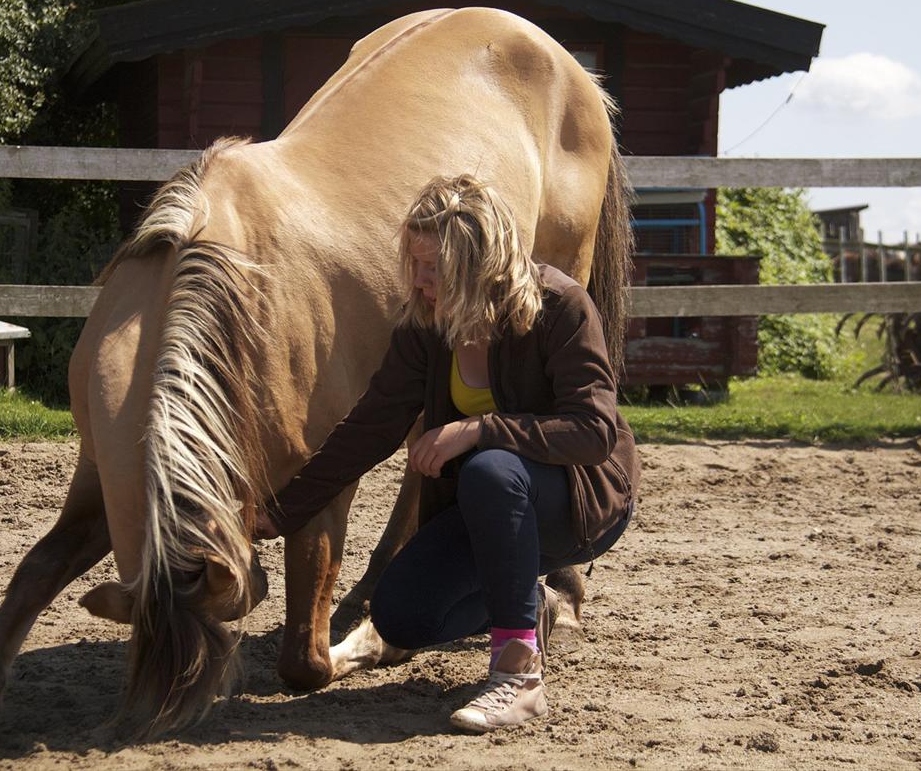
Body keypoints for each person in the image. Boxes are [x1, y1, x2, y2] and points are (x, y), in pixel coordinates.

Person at [257, 173, 639, 732]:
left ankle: (519, 676)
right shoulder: (426, 325)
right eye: (413, 263)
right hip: (494, 512)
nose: (419, 280)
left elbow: (593, 431)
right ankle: (529, 606)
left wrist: (480, 429)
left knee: (490, 468)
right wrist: (279, 511)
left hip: (578, 504)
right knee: (401, 615)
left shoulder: (560, 305)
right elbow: (370, 426)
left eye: (433, 267)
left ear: (479, 260)